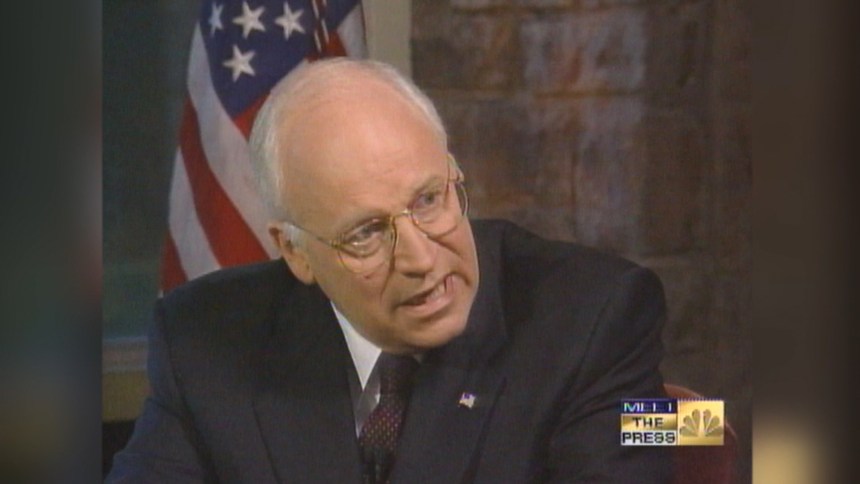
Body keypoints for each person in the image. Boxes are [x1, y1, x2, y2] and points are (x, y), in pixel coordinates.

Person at [107, 58, 672, 483]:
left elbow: (657, 440)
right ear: (296, 253)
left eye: (429, 200)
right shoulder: (205, 341)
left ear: (452, 172)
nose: (422, 260)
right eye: (366, 233)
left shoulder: (597, 316)